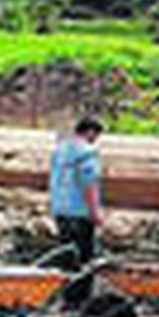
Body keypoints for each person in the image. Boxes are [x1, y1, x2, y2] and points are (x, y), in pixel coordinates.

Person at [49, 116, 105, 270]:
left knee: (67, 256)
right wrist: (95, 212)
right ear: (90, 132)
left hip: (60, 211)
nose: (95, 140)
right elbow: (88, 184)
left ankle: (66, 290)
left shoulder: (59, 151)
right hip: (80, 213)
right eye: (96, 136)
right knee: (83, 260)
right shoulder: (87, 152)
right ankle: (80, 293)